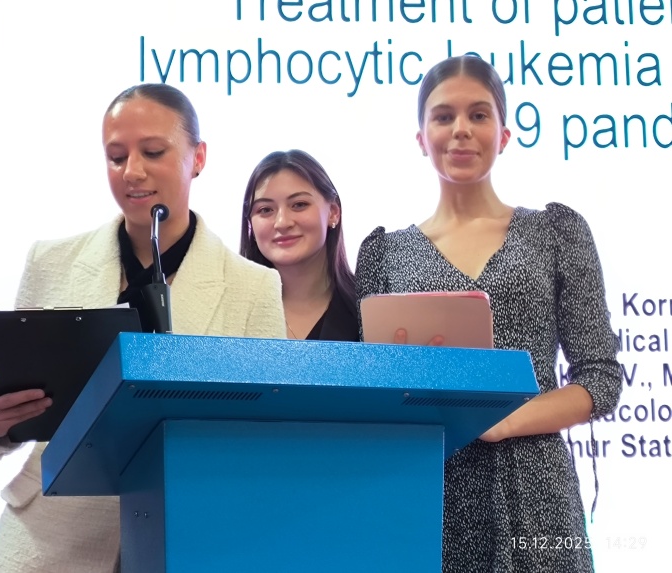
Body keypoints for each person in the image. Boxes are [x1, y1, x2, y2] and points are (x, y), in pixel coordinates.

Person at [0, 83, 285, 573]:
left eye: (153, 152)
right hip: (49, 538)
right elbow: (13, 411)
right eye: (116, 157)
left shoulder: (254, 287)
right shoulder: (50, 261)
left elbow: (267, 438)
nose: (132, 172)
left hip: (187, 540)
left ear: (198, 157)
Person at [355, 55, 622, 572]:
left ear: (503, 134)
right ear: (421, 137)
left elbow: (600, 379)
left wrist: (505, 422)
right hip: (431, 487)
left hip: (538, 491)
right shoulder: (384, 254)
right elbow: (376, 390)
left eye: (478, 115)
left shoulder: (555, 233)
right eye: (443, 116)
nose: (461, 129)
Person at [239, 149, 358, 341]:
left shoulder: (368, 311)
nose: (282, 223)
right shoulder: (229, 311)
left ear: (333, 212)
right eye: (265, 209)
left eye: (299, 205)